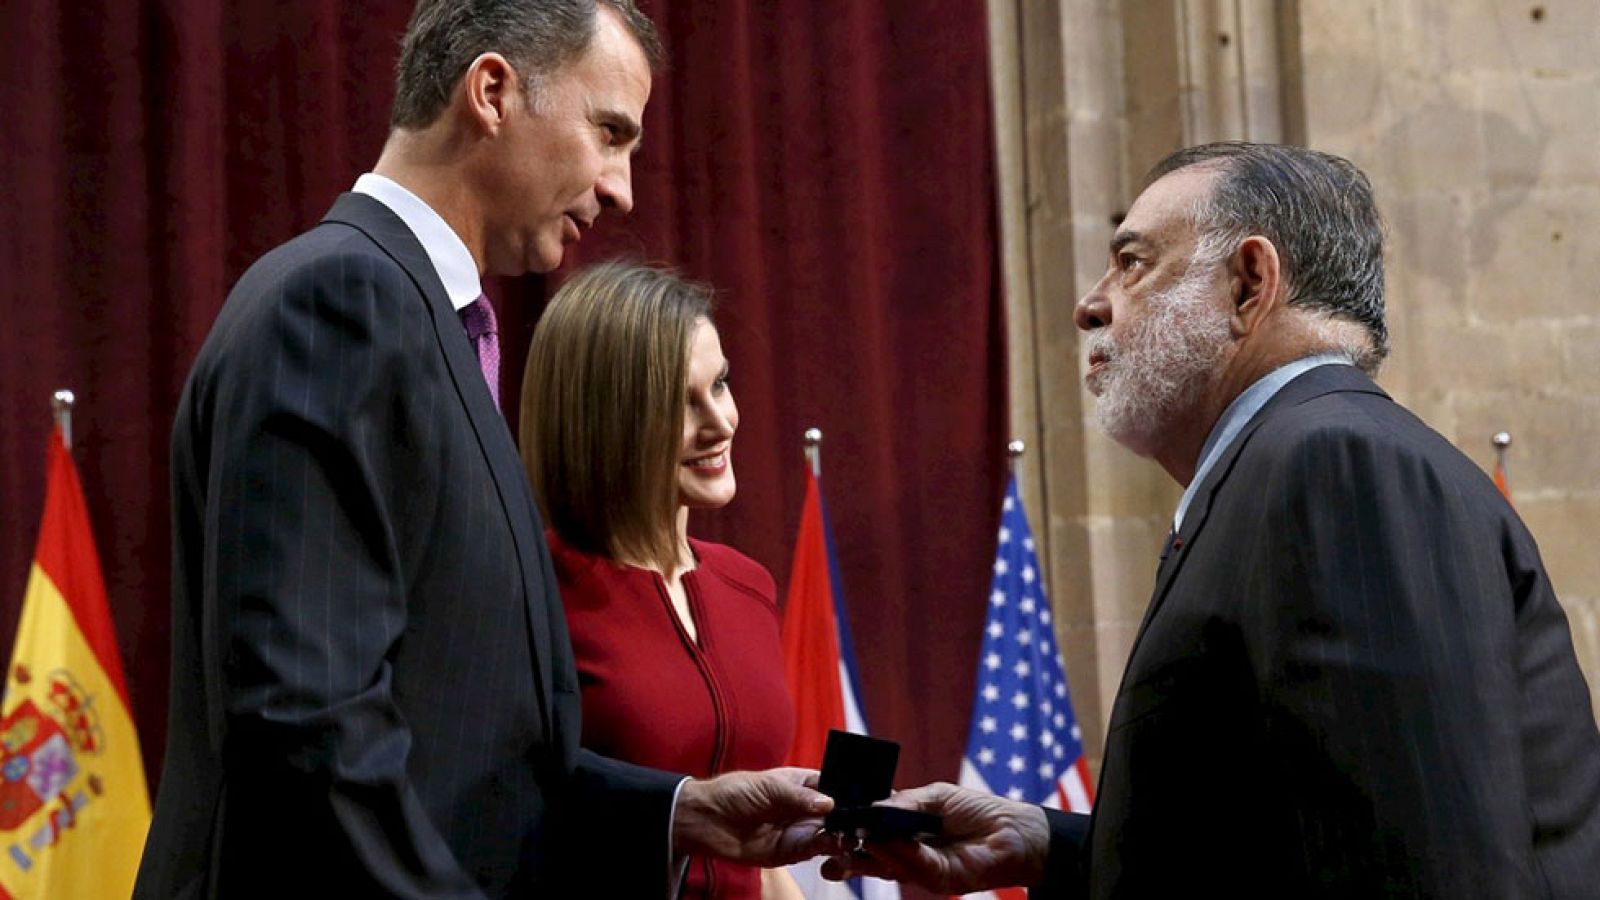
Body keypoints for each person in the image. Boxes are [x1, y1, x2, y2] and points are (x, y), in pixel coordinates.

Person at [136, 2, 831, 896]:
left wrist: (675, 813)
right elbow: (308, 731)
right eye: (609, 132)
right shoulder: (345, 302)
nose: (621, 188)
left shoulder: (424, 320)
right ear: (493, 92)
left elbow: (466, 753)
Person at [825, 142, 1600, 897]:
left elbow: (1414, 863)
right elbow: (1290, 842)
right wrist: (1048, 846)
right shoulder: (1277, 468)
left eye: (1133, 262)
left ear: (1248, 284)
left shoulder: (1337, 465)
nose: (1089, 303)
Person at [520, 262, 803, 899]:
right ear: (606, 421)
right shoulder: (530, 592)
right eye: (682, 400)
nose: (722, 422)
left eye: (721, 384)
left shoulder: (746, 586)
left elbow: (756, 860)